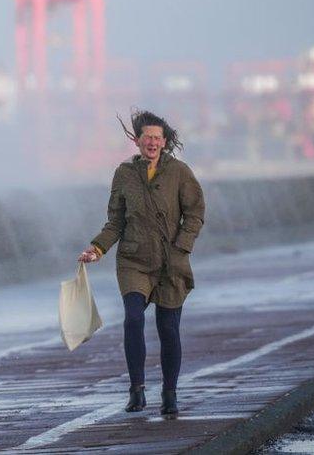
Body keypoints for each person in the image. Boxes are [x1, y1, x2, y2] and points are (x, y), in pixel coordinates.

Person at [78, 110, 205, 419]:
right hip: (133, 259)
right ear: (137, 140)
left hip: (170, 261)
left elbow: (195, 213)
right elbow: (115, 221)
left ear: (164, 142)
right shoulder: (124, 174)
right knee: (133, 318)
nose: (151, 142)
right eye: (146, 137)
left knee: (168, 329)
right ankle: (137, 390)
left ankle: (170, 393)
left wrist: (182, 247)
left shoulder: (180, 172)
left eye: (157, 138)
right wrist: (97, 248)